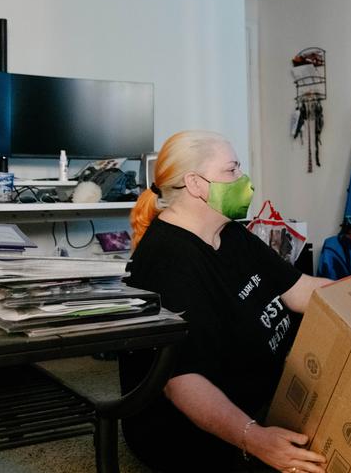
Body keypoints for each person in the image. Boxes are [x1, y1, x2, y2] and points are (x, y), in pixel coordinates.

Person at [120, 130, 328, 473]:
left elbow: (300, 290)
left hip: (259, 398)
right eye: (231, 171)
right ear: (196, 184)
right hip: (191, 432)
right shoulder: (168, 261)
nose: (244, 181)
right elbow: (183, 383)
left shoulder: (230, 234)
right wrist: (255, 439)